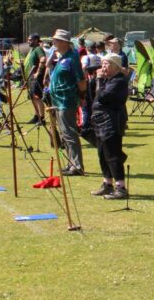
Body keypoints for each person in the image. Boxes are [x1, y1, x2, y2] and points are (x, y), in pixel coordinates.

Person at [90, 53, 131, 200]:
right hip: (101, 121)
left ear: (115, 66)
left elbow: (102, 97)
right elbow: (92, 95)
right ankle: (107, 184)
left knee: (112, 155)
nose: (103, 67)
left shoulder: (119, 81)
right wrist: (95, 79)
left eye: (106, 64)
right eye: (103, 63)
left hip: (111, 122)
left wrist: (100, 80)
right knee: (102, 154)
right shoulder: (109, 80)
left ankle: (121, 188)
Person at [50, 29, 87, 176]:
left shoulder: (72, 58)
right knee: (64, 134)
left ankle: (77, 165)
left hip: (67, 101)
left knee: (70, 133)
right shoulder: (62, 57)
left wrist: (82, 96)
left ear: (65, 42)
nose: (54, 43)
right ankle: (71, 163)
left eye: (57, 40)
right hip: (58, 101)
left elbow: (81, 81)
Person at [23, 34, 46, 126]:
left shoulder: (38, 49)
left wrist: (38, 72)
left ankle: (42, 118)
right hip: (30, 78)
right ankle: (36, 116)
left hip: (37, 78)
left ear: (36, 40)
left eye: (30, 40)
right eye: (28, 40)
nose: (29, 41)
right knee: (32, 97)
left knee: (37, 97)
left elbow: (43, 59)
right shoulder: (32, 50)